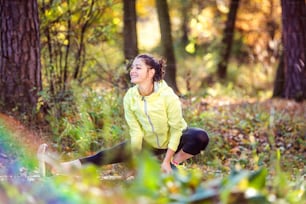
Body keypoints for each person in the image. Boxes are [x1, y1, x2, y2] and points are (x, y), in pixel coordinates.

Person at [38, 53, 209, 175]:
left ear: (151, 72)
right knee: (104, 156)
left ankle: (171, 166)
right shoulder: (130, 97)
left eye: (138, 67)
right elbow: (135, 131)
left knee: (200, 136)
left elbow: (176, 129)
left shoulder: (167, 95)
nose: (132, 71)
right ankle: (54, 168)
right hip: (148, 141)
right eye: (132, 67)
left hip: (175, 138)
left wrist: (167, 160)